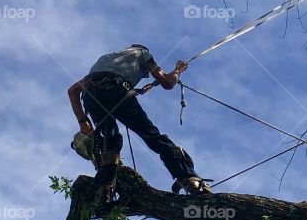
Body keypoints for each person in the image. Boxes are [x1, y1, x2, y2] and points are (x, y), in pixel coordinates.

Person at [67, 43, 211, 208]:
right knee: (153, 136)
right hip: (118, 90)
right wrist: (179, 68)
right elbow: (168, 82)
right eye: (145, 73)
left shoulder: (105, 60)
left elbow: (72, 91)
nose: (144, 75)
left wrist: (82, 122)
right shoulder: (143, 53)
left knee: (110, 141)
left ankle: (104, 192)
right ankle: (190, 180)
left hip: (91, 95)